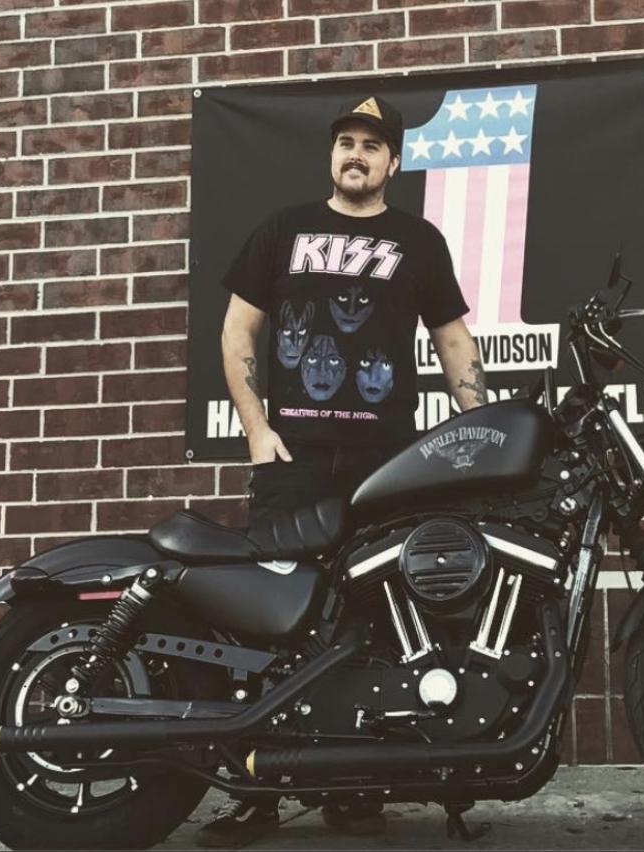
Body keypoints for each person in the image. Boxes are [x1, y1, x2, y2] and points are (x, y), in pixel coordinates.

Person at [197, 94, 488, 848]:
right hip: (292, 460)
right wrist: (257, 429)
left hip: (384, 465)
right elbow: (237, 331)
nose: (355, 154)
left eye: (371, 145)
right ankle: (254, 788)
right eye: (346, 142)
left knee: (372, 624)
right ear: (332, 155)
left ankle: (354, 785)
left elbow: (454, 340)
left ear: (394, 162)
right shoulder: (282, 231)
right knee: (267, 622)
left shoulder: (418, 241)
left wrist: (481, 428)